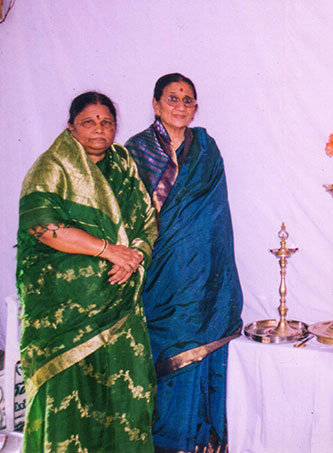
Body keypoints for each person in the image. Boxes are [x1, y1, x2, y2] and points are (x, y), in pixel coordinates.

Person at [16, 91, 157, 452]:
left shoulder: (123, 165)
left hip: (119, 302)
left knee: (126, 391)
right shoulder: (53, 166)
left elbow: (146, 222)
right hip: (65, 313)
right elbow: (42, 226)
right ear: (71, 127)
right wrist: (110, 251)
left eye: (107, 122)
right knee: (70, 394)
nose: (99, 128)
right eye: (89, 121)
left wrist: (133, 258)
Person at [125, 73, 243, 453]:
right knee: (165, 349)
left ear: (196, 107)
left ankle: (201, 442)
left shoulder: (207, 149)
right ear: (156, 104)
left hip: (204, 274)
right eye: (172, 98)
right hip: (160, 273)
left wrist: (217, 275)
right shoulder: (136, 150)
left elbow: (216, 216)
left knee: (202, 346)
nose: (180, 106)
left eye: (188, 99)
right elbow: (126, 214)